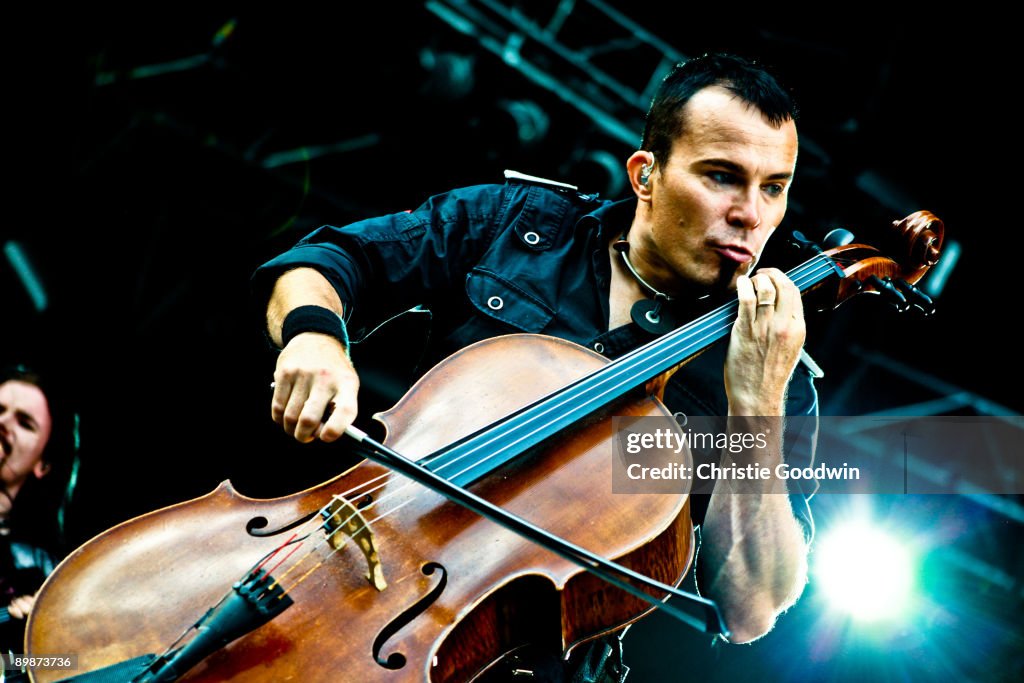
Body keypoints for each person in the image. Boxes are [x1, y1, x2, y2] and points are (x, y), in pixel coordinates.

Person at [253, 53, 818, 681]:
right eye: (721, 176)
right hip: (347, 551)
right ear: (646, 176)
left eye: (774, 187)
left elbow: (750, 606)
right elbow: (328, 263)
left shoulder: (775, 372)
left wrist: (757, 406)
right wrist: (315, 338)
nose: (751, 214)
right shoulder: (517, 226)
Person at [0, 364, 74, 665]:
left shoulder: (46, 569)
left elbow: (70, 664)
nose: (3, 423)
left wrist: (15, 658)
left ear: (42, 464)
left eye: (25, 423)